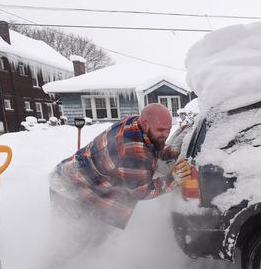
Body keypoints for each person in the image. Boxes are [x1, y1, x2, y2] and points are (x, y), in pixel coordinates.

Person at [48, 103, 192, 248]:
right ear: (145, 123)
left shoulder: (138, 123)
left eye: (168, 130)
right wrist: (173, 179)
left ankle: (83, 265)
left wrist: (175, 151)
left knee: (94, 238)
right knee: (74, 243)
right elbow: (142, 191)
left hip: (80, 180)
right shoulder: (134, 150)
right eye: (161, 130)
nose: (166, 134)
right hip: (71, 190)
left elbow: (153, 147)